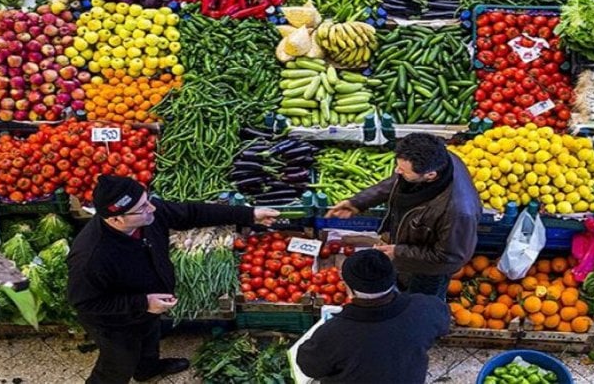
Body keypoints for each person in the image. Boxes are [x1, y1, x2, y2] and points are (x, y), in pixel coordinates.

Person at [67, 175, 279, 384]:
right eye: (142, 208)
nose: (152, 208)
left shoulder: (148, 214)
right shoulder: (90, 257)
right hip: (115, 323)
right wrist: (143, 303)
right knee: (118, 364)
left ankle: (147, 370)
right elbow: (84, 303)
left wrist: (249, 214)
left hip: (149, 306)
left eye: (147, 199)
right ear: (116, 219)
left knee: (150, 339)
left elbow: (191, 213)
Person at [326, 133, 482, 300]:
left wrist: (399, 252)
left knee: (420, 302)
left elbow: (450, 258)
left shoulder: (458, 212)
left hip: (428, 270)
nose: (396, 171)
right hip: (409, 247)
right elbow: (398, 181)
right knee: (402, 287)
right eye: (398, 166)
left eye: (403, 170)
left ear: (430, 175)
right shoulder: (439, 159)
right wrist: (359, 202)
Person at [296, 249, 450, 383]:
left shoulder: (334, 332)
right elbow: (443, 326)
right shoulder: (427, 308)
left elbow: (309, 366)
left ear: (348, 288)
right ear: (392, 278)